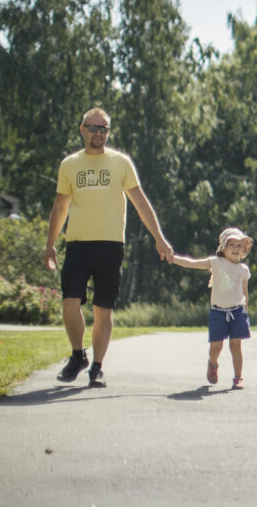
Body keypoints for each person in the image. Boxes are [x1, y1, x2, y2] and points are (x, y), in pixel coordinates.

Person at [45, 108, 173, 387]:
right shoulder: (69, 165)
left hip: (110, 246)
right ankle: (78, 356)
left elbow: (140, 202)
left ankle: (97, 368)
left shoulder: (120, 163)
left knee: (103, 309)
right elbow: (60, 207)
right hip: (77, 244)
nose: (98, 133)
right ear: (82, 130)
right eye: (93, 128)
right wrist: (50, 244)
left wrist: (159, 238)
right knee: (70, 302)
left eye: (104, 129)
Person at [171, 228, 253, 389]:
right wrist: (173, 258)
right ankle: (213, 364)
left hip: (237, 311)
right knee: (216, 346)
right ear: (223, 247)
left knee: (236, 345)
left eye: (239, 245)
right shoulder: (216, 262)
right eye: (232, 245)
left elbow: (245, 292)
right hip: (218, 312)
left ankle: (238, 377)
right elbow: (192, 263)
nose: (236, 248)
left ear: (244, 249)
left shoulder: (243, 270)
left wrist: (245, 311)